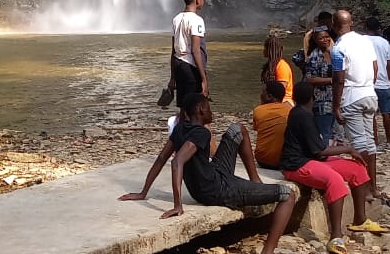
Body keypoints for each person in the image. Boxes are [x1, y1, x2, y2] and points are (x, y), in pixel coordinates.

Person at [120, 93, 297, 254]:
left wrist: (143, 192)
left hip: (212, 176)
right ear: (201, 110)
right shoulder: (201, 133)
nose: (212, 112)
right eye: (209, 108)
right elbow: (176, 162)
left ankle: (255, 181)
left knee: (238, 129)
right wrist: (177, 204)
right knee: (287, 195)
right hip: (218, 190)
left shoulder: (180, 128)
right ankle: (268, 251)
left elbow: (161, 159)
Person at [281, 81, 390, 254]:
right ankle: (336, 235)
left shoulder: (302, 112)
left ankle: (360, 220)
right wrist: (348, 149)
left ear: (294, 97)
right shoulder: (302, 116)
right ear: (314, 97)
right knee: (335, 181)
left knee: (358, 169)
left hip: (313, 159)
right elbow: (320, 150)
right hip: (297, 165)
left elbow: (317, 151)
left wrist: (347, 152)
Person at [330, 9, 381, 198]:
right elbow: (375, 67)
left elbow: (339, 79)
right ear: (351, 23)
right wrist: (368, 86)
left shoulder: (338, 48)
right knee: (370, 142)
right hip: (370, 95)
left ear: (334, 25)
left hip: (352, 97)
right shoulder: (366, 40)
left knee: (359, 143)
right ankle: (374, 187)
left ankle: (365, 189)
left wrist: (336, 106)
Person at [168, 0, 209, 107]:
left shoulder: (176, 19)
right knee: (195, 105)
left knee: (183, 105)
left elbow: (173, 51)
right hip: (191, 67)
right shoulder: (197, 20)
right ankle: (193, 125)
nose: (203, 0)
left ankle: (181, 125)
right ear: (197, 0)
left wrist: (172, 78)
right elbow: (196, 50)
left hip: (178, 64)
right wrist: (203, 78)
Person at [364, 17, 390, 146]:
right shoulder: (384, 42)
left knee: (370, 114)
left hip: (367, 82)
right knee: (386, 113)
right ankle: (388, 141)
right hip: (383, 82)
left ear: (366, 28)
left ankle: (374, 141)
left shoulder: (362, 41)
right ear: (378, 28)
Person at [305, 25, 337, 147]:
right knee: (324, 132)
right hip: (322, 101)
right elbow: (310, 79)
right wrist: (332, 80)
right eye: (321, 38)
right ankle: (323, 157)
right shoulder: (314, 56)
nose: (325, 40)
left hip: (336, 99)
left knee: (334, 133)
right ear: (316, 41)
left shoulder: (334, 53)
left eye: (327, 37)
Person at [252, 80, 291, 169]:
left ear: (269, 97)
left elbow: (258, 129)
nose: (260, 95)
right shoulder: (290, 111)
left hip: (263, 160)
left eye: (262, 93)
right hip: (284, 161)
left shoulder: (258, 110)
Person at [261, 33, 295, 105]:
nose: (263, 50)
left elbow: (281, 90)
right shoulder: (270, 65)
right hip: (271, 100)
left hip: (284, 101)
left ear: (270, 50)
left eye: (265, 48)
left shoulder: (282, 66)